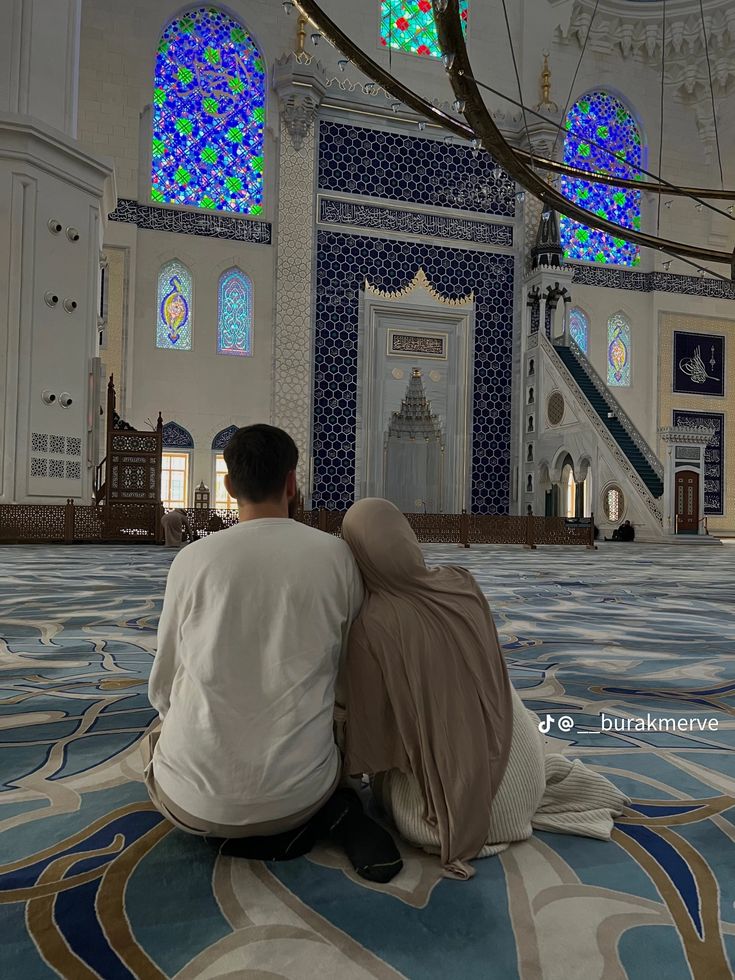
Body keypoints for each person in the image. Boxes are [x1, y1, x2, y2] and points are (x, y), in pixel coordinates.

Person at [146, 426, 402, 882]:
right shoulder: (337, 557)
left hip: (193, 805)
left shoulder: (191, 560)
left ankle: (233, 818)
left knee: (157, 730)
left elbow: (163, 685)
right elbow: (352, 680)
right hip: (301, 797)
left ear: (228, 487)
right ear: (291, 483)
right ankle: (335, 810)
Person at [339, 498, 628, 880]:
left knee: (389, 788)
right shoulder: (460, 582)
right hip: (526, 770)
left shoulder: (370, 626)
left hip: (460, 820)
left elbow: (374, 745)